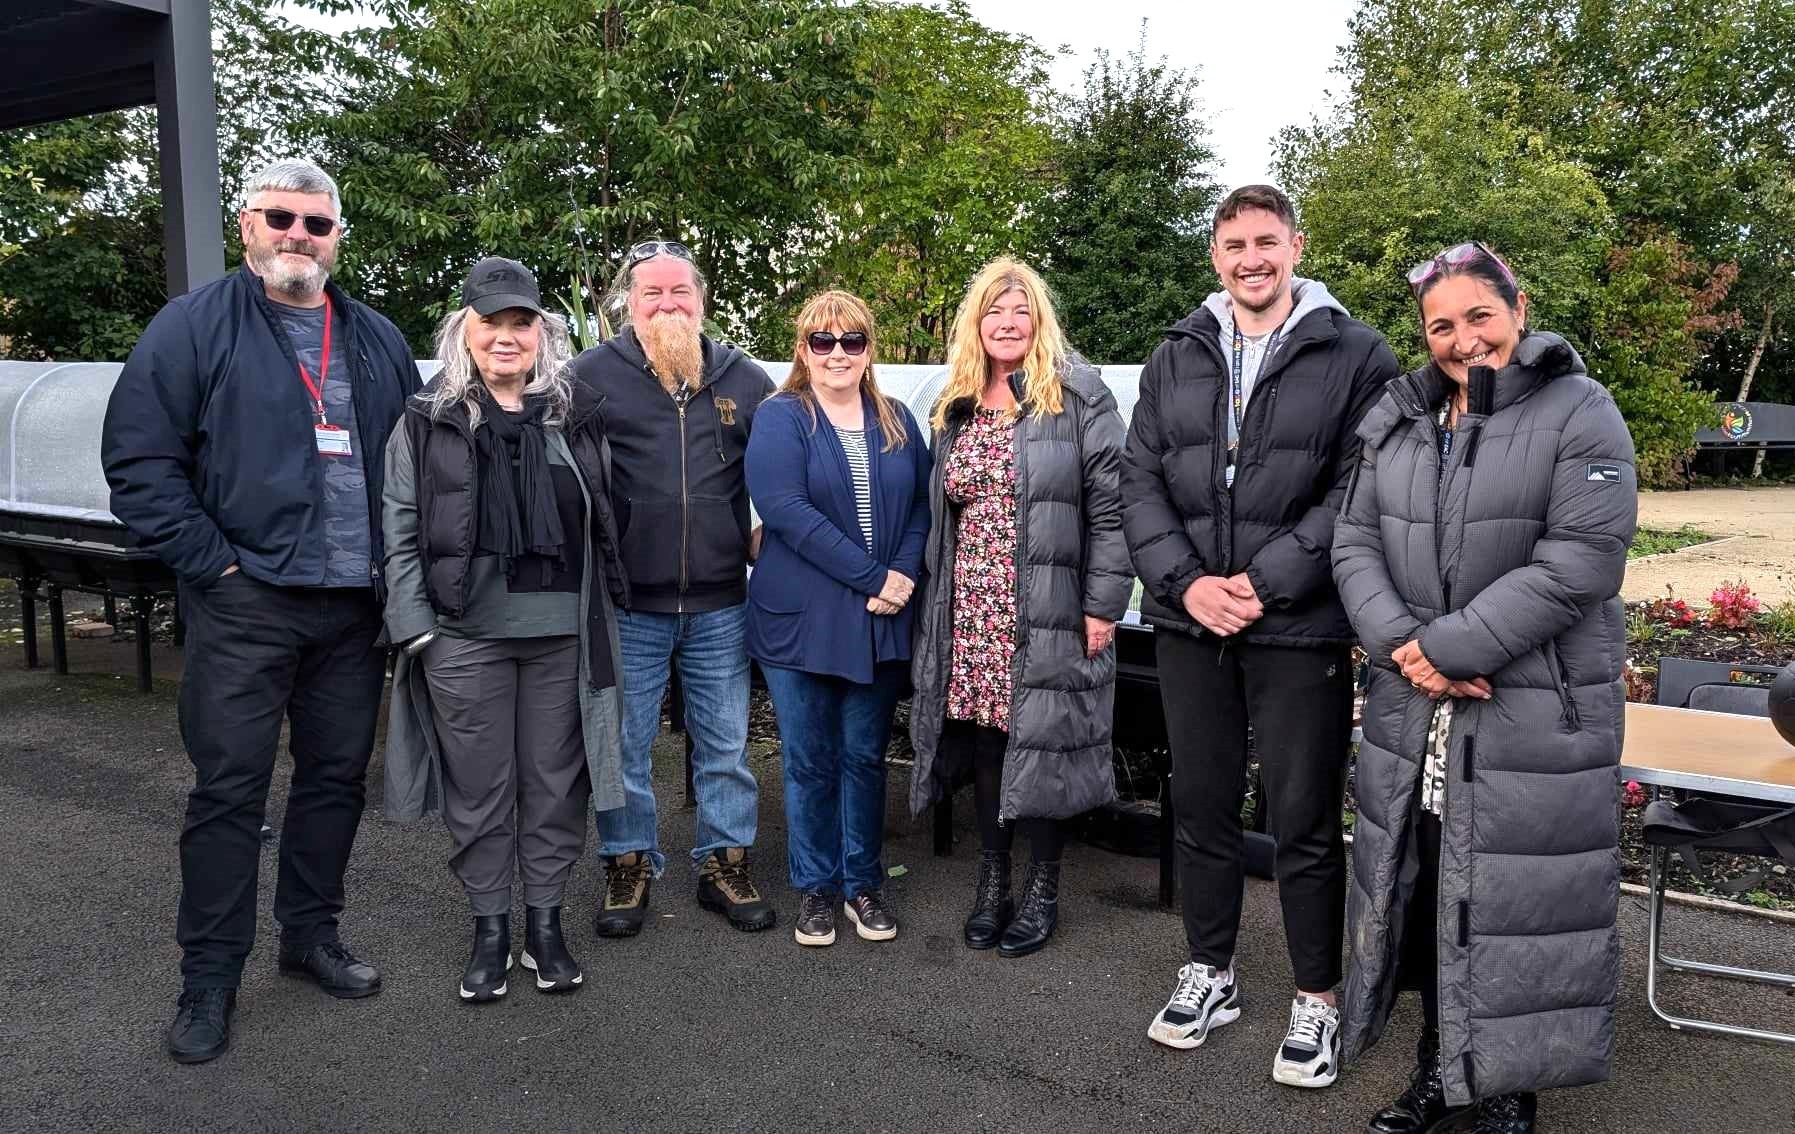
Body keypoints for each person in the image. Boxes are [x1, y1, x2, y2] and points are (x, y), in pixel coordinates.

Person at [101, 159, 418, 1063]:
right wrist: (217, 569)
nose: (297, 237)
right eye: (281, 218)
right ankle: (208, 979)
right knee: (229, 791)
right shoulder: (193, 327)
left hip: (352, 611)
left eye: (316, 225)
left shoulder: (373, 338)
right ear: (248, 224)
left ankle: (309, 935)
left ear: (338, 239)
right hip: (246, 604)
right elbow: (139, 462)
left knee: (332, 782)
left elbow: (413, 467)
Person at [1332, 242, 1635, 1134]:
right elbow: (1353, 542)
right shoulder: (1398, 422)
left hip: (1528, 711)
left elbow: (1582, 560)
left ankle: (1503, 1090)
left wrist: (1453, 646)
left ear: (1517, 308)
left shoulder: (1582, 410)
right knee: (1428, 891)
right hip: (1414, 709)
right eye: (1440, 325)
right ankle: (1437, 1069)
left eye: (1478, 317)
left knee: (1511, 903)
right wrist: (1405, 647)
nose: (1462, 340)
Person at [1121, 184, 1398, 1086]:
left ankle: (1316, 998)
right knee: (1199, 807)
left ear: (1295, 246)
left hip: (1299, 626)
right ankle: (1211, 972)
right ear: (1214, 255)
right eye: (1234, 243)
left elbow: (1360, 488)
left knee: (1303, 819)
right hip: (1188, 619)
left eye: (1266, 242)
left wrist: (1262, 584)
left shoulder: (1355, 352)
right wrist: (1188, 584)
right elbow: (1139, 482)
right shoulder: (1176, 351)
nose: (1250, 259)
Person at [380, 257, 630, 1001]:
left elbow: (607, 518)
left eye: (521, 323)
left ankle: (544, 926)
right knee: (480, 793)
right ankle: (491, 927)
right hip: (464, 637)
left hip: (563, 638)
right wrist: (415, 628)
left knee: (554, 788)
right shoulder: (427, 420)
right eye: (491, 323)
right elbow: (397, 526)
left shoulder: (575, 414)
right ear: (465, 331)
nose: (506, 336)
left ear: (541, 335)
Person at [908, 256, 1132, 959]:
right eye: (992, 312)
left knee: (1046, 744)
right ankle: (991, 878)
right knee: (987, 742)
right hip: (971, 606)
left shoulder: (1078, 395)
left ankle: (1042, 887)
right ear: (975, 325)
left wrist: (1103, 603)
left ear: (1039, 321)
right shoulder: (957, 403)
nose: (1006, 323)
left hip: (1048, 602)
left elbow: (1114, 506)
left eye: (1020, 311)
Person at [568, 240, 778, 934]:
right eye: (651, 293)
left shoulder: (744, 381)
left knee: (724, 746)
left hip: (721, 601)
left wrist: (766, 542)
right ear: (628, 302)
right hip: (630, 603)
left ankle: (724, 864)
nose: (666, 304)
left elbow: (783, 480)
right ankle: (627, 866)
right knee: (624, 745)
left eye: (678, 292)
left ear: (701, 300)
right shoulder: (587, 378)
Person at [745, 290, 932, 947]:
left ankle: (862, 884)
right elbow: (787, 511)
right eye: (821, 341)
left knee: (862, 757)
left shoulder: (899, 420)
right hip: (800, 621)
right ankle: (816, 888)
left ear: (868, 349)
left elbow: (920, 508)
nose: (836, 353)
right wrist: (875, 577)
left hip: (878, 618)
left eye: (850, 340)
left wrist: (901, 578)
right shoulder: (780, 418)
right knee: (808, 760)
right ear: (802, 349)